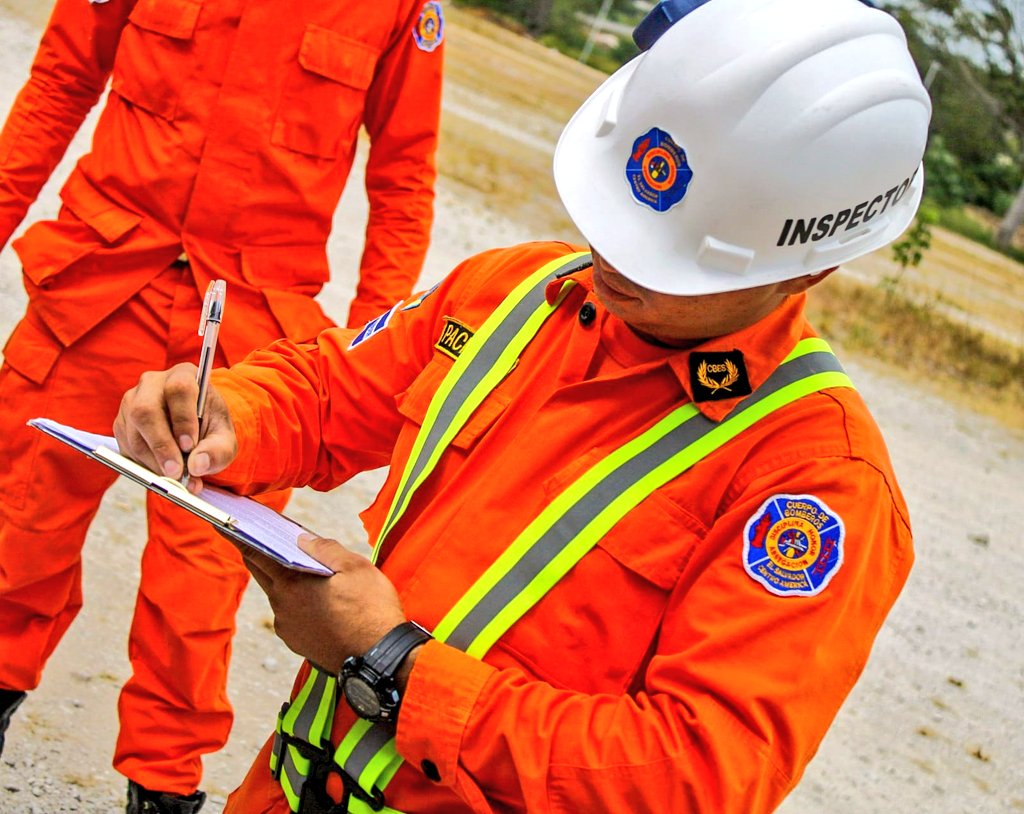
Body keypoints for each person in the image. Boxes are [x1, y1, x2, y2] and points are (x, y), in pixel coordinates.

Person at [114, 0, 931, 810]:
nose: (610, 255)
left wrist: (390, 662)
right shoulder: (514, 291)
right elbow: (332, 391)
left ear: (807, 269)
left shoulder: (819, 482)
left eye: (667, 262)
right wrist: (231, 413)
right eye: (611, 209)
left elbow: (693, 775)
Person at [0, 0, 444, 810]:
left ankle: (161, 791)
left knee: (196, 595)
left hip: (245, 337)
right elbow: (63, 78)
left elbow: (403, 176)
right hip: (94, 283)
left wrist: (377, 369)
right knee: (14, 528)